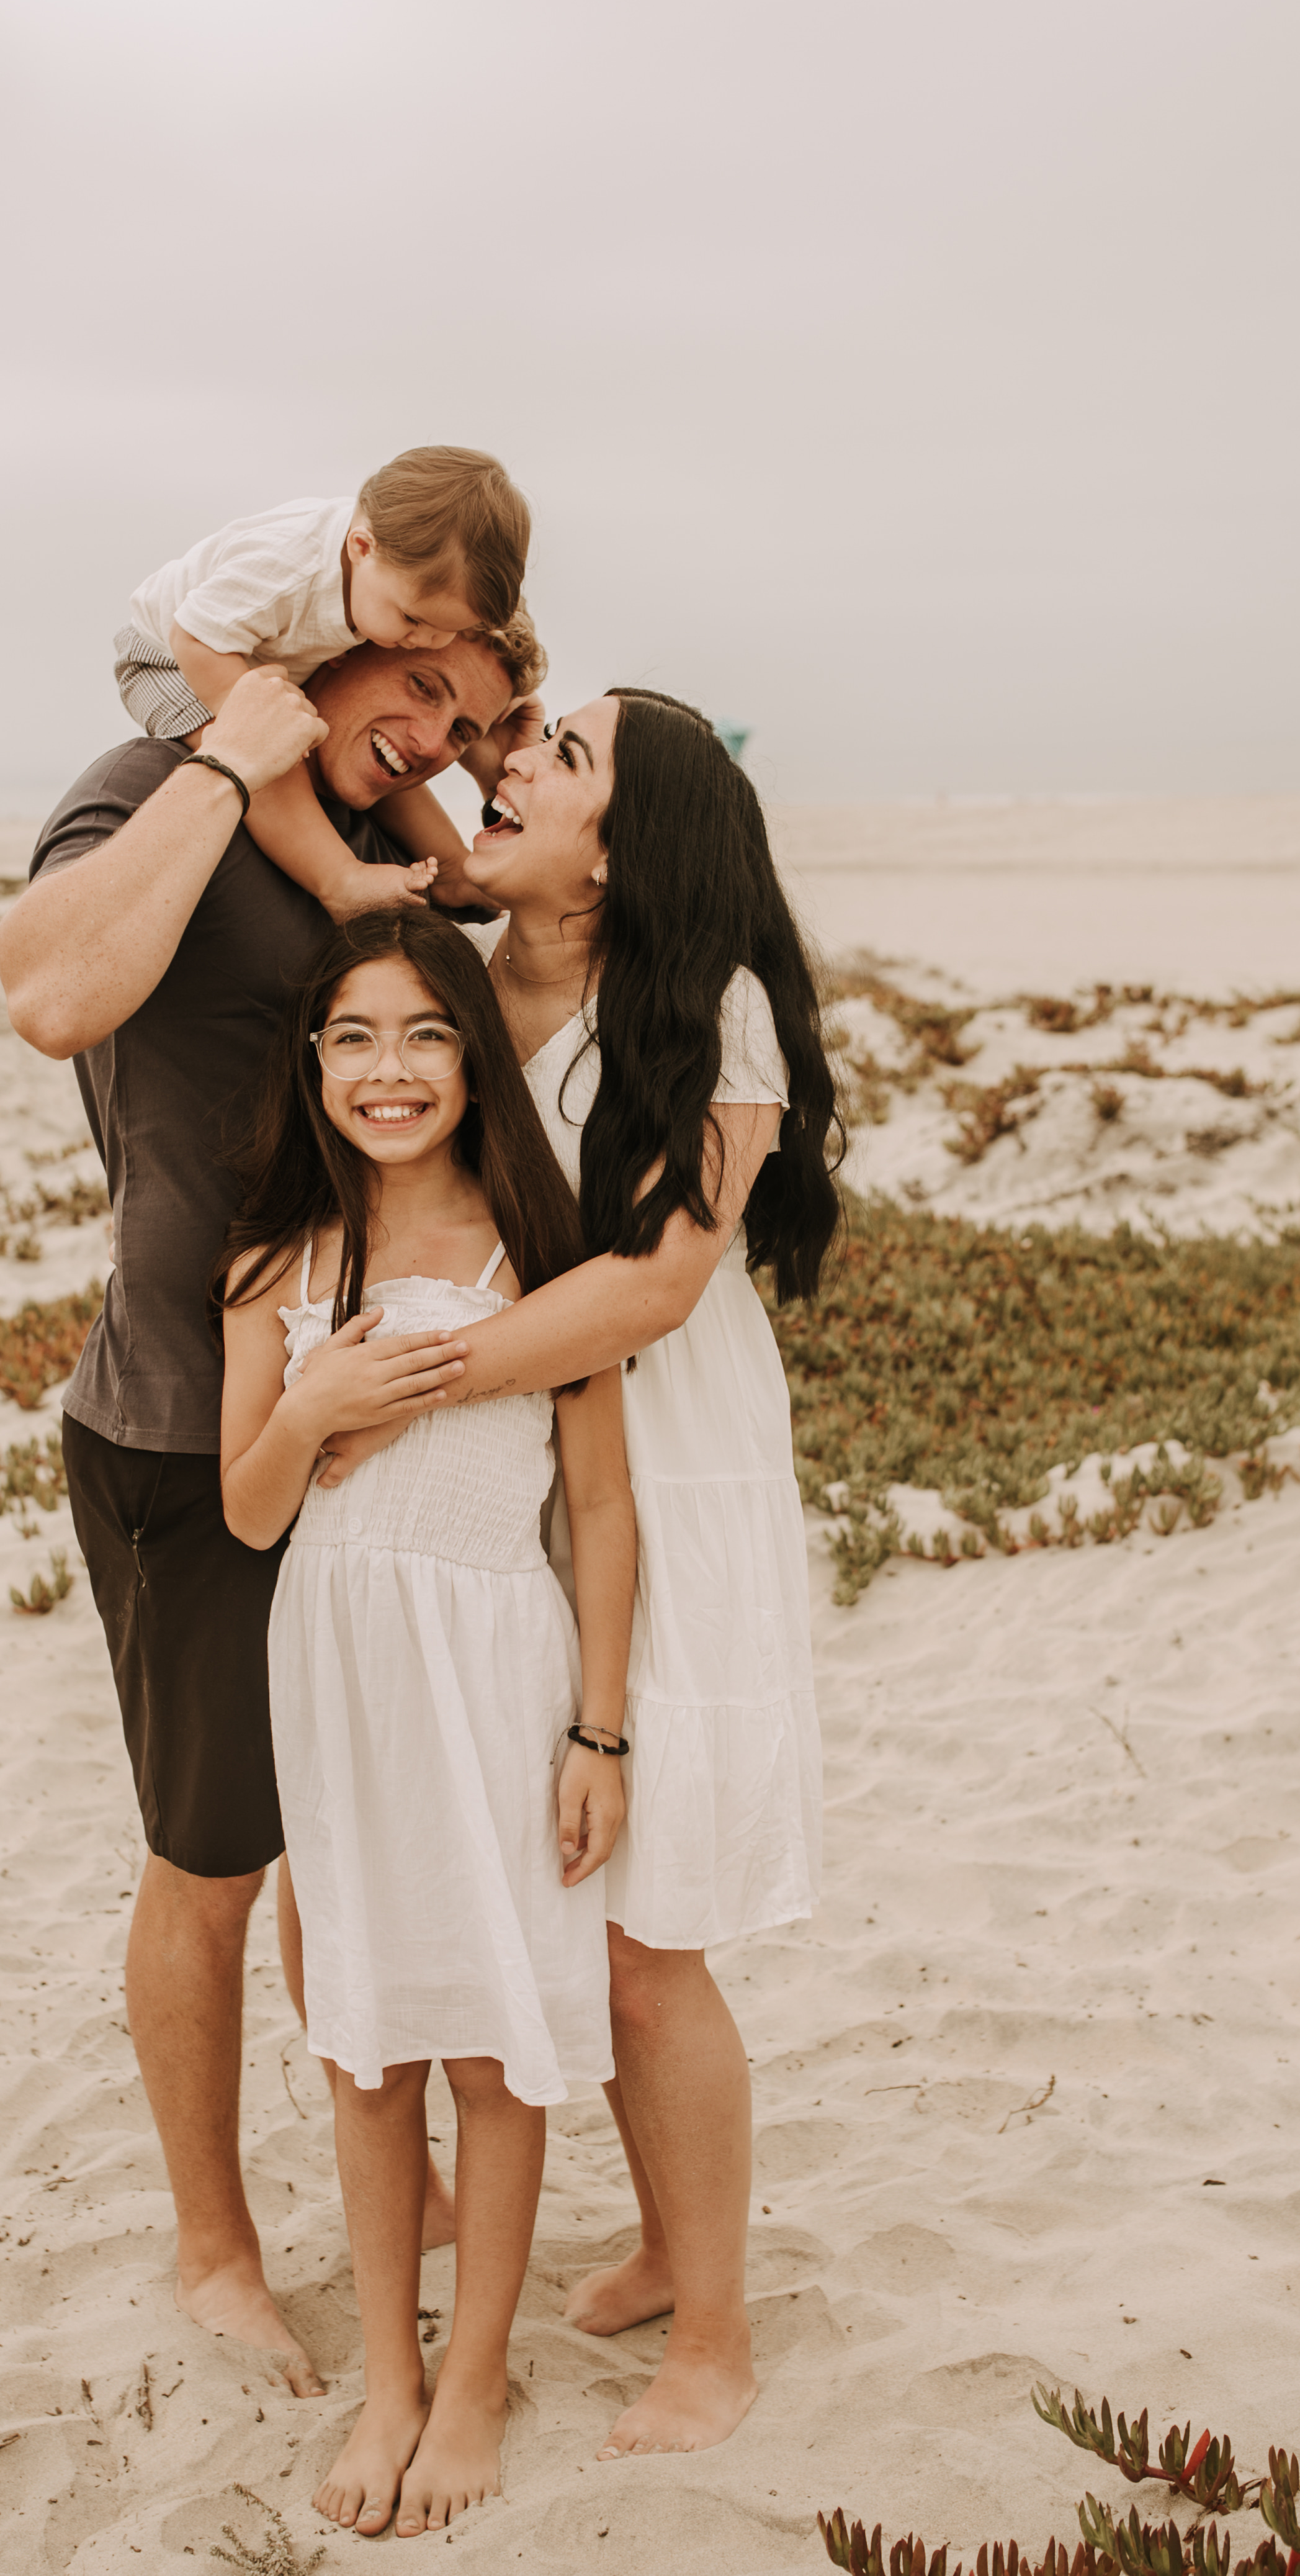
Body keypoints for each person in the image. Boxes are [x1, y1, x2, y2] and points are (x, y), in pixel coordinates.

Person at [0, 636, 533, 2398]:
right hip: (180, 1419)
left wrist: (427, 777)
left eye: (470, 722)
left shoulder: (366, 841)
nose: (440, 740)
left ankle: (412, 2181)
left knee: (350, 1837)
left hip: (364, 1432)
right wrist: (231, 753)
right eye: (428, 689)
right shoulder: (161, 789)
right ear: (335, 624)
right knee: (212, 1856)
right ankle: (215, 2242)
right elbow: (51, 993)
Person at [310, 687, 841, 2459]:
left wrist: (415, 1372)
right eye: (519, 747)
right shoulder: (465, 962)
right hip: (492, 1499)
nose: (512, 767)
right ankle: (665, 2236)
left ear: (631, 841)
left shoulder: (708, 1007)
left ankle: (718, 2330)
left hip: (656, 1468)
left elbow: (655, 1287)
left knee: (648, 1933)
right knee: (557, 1895)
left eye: (562, 758)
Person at [218, 909, 635, 2538]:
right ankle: (390, 2378)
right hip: (342, 1679)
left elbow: (599, 1508)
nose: (388, 1072)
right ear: (313, 1063)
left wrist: (597, 1731)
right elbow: (251, 1516)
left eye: (423, 1035)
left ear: (473, 1053)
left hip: (500, 1667)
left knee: (495, 2040)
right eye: (353, 1038)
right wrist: (311, 1402)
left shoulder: (545, 1256)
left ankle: (474, 2381)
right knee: (370, 2041)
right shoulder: (278, 1261)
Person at [113, 446, 532, 920]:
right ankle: (340, 881)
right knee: (273, 755)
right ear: (361, 547)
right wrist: (256, 730)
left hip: (246, 648)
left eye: (448, 630)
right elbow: (192, 633)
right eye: (414, 620)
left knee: (388, 751)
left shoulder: (386, 571)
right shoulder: (290, 568)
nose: (428, 641)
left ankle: (455, 870)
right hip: (172, 655)